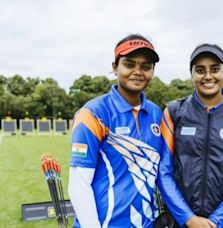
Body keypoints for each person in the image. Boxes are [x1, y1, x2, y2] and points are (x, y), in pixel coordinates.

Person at [158, 43, 223, 228]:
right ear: (191, 73)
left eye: (215, 69)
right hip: (182, 221)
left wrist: (216, 221)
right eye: (200, 70)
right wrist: (188, 218)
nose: (208, 76)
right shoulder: (173, 111)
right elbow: (164, 171)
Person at [68, 34, 163, 227]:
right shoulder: (93, 113)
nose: (138, 72)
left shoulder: (156, 113)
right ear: (115, 67)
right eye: (129, 64)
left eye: (146, 66)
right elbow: (78, 184)